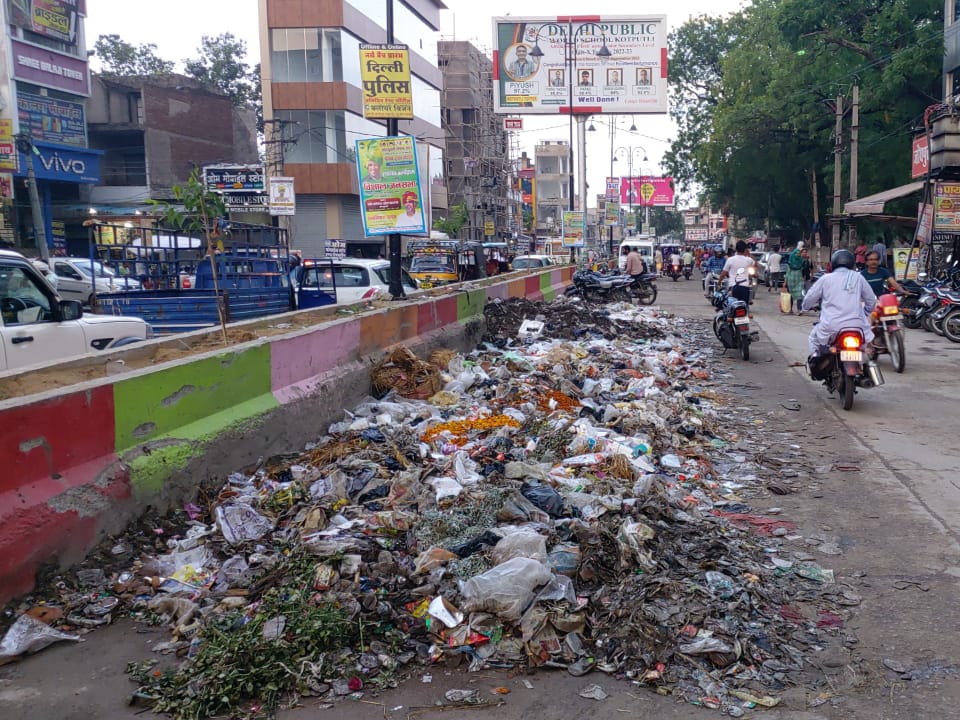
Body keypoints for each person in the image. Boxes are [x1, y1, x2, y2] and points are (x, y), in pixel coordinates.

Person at [802, 249, 876, 361]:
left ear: (833, 263)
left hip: (831, 326)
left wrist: (805, 307)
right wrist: (865, 313)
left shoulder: (826, 278)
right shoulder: (858, 277)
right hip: (857, 326)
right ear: (852, 263)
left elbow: (809, 299)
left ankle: (816, 362)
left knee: (813, 338)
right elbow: (871, 300)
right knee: (865, 353)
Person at [782, 244, 805, 314]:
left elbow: (805, 270)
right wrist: (785, 282)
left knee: (799, 295)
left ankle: (799, 309)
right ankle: (790, 309)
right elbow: (787, 273)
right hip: (791, 282)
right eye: (796, 253)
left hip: (799, 281)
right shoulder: (790, 263)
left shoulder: (801, 261)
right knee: (790, 296)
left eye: (798, 253)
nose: (797, 254)